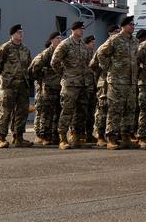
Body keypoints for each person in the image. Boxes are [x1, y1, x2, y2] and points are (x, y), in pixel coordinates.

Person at [0, 24, 33, 148]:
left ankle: (18, 137)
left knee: (21, 112)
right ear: (13, 34)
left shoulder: (25, 49)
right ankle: (1, 138)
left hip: (22, 86)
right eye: (19, 32)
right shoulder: (5, 48)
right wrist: (5, 78)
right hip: (8, 86)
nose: (21, 34)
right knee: (5, 112)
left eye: (22, 32)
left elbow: (29, 66)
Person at [99, 16, 138, 150]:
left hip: (131, 82)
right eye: (131, 25)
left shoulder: (134, 41)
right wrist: (109, 68)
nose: (133, 27)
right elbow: (101, 54)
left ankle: (126, 137)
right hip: (117, 82)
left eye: (134, 24)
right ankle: (111, 138)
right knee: (115, 110)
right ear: (124, 26)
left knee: (130, 110)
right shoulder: (114, 39)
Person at [51, 21, 91, 150]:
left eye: (83, 29)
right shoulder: (65, 45)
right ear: (73, 30)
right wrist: (65, 74)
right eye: (79, 29)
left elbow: (87, 63)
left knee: (81, 112)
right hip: (70, 84)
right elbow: (54, 62)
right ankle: (63, 138)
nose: (82, 31)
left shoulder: (84, 46)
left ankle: (77, 137)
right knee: (67, 111)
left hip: (83, 84)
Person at [29, 32, 62, 146]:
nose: (60, 40)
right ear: (52, 40)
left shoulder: (60, 53)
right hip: (48, 88)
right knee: (45, 113)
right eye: (57, 38)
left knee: (57, 112)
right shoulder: (46, 54)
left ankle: (54, 134)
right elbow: (33, 69)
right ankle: (44, 136)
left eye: (60, 38)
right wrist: (41, 80)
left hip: (58, 87)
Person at [90, 24, 121, 147]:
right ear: (110, 33)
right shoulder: (105, 47)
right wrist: (105, 70)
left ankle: (113, 135)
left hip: (116, 83)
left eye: (119, 31)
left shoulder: (120, 46)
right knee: (103, 110)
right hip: (104, 83)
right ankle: (100, 136)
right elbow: (93, 64)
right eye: (115, 31)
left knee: (114, 110)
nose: (118, 34)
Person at [83, 34, 98, 144]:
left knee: (91, 112)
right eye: (92, 42)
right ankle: (81, 134)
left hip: (93, 86)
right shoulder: (83, 53)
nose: (94, 43)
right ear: (87, 43)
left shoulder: (94, 54)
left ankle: (89, 134)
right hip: (84, 86)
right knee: (83, 112)